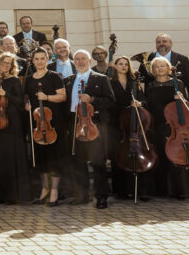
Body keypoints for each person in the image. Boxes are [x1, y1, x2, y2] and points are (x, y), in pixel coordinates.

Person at [65, 49, 115, 209]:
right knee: (78, 162)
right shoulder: (69, 80)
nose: (80, 61)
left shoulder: (101, 79)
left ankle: (101, 197)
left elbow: (110, 101)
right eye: (77, 59)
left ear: (89, 61)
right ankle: (82, 195)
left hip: (94, 125)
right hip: (75, 124)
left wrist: (92, 99)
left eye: (83, 59)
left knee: (98, 162)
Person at [143, 56, 189, 200]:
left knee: (176, 156)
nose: (159, 69)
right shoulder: (150, 86)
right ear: (152, 70)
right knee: (160, 155)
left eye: (162, 66)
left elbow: (186, 107)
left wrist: (182, 98)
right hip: (157, 125)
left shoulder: (177, 83)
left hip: (174, 126)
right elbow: (147, 105)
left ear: (168, 68)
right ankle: (161, 190)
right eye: (156, 67)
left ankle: (180, 190)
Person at [23, 46, 67, 206]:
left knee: (54, 158)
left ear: (47, 59)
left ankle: (54, 191)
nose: (39, 61)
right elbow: (27, 97)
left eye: (42, 58)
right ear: (32, 61)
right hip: (37, 124)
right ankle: (45, 190)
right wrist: (27, 104)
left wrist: (47, 97)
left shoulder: (54, 76)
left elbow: (62, 97)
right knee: (41, 158)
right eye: (36, 59)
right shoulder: (29, 79)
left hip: (52, 122)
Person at [0, 53, 28, 204]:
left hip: (13, 123)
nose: (6, 66)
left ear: (12, 66)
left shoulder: (15, 80)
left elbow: (21, 103)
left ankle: (12, 195)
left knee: (11, 158)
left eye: (9, 64)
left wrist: (6, 94)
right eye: (4, 63)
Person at [108, 56, 147, 200]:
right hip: (115, 123)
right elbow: (108, 102)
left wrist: (139, 103)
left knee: (134, 155)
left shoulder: (134, 82)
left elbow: (143, 99)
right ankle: (120, 190)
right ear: (115, 66)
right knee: (118, 155)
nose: (123, 66)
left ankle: (137, 188)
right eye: (120, 64)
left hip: (132, 123)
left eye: (126, 64)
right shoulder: (110, 82)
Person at [146, 33, 189, 103]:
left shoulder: (182, 59)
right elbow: (143, 81)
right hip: (154, 102)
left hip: (176, 102)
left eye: (164, 41)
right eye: (158, 42)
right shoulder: (148, 59)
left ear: (171, 43)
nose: (161, 44)